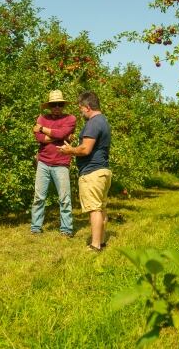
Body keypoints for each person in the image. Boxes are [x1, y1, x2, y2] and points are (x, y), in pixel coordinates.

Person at [59, 91, 111, 252]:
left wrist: (69, 150)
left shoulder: (93, 123)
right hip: (102, 171)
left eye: (81, 108)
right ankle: (101, 241)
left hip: (92, 173)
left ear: (88, 107)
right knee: (101, 208)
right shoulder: (103, 121)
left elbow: (85, 149)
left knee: (94, 209)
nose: (80, 111)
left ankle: (95, 245)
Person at [31, 90, 77, 236]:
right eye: (54, 104)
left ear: (63, 105)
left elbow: (61, 134)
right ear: (49, 106)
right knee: (39, 197)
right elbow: (40, 138)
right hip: (43, 162)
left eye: (60, 104)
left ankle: (66, 229)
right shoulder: (42, 117)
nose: (57, 107)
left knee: (64, 198)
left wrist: (44, 129)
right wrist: (61, 135)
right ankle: (35, 227)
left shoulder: (70, 118)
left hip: (61, 163)